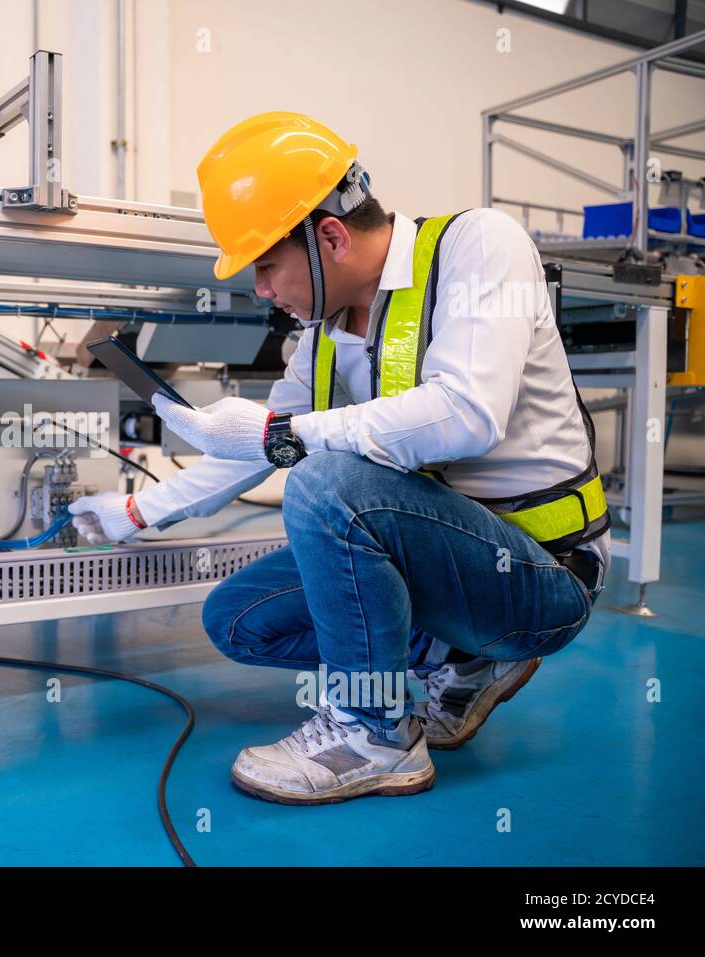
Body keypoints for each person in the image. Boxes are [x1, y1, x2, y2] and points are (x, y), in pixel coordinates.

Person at [67, 112, 608, 805]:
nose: (262, 289)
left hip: (541, 575)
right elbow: (252, 447)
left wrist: (286, 437)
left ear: (329, 235)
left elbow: (468, 413)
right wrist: (137, 510)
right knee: (238, 617)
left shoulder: (479, 247)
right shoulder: (320, 337)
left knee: (326, 483)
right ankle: (461, 659)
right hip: (451, 560)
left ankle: (372, 731)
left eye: (266, 264)